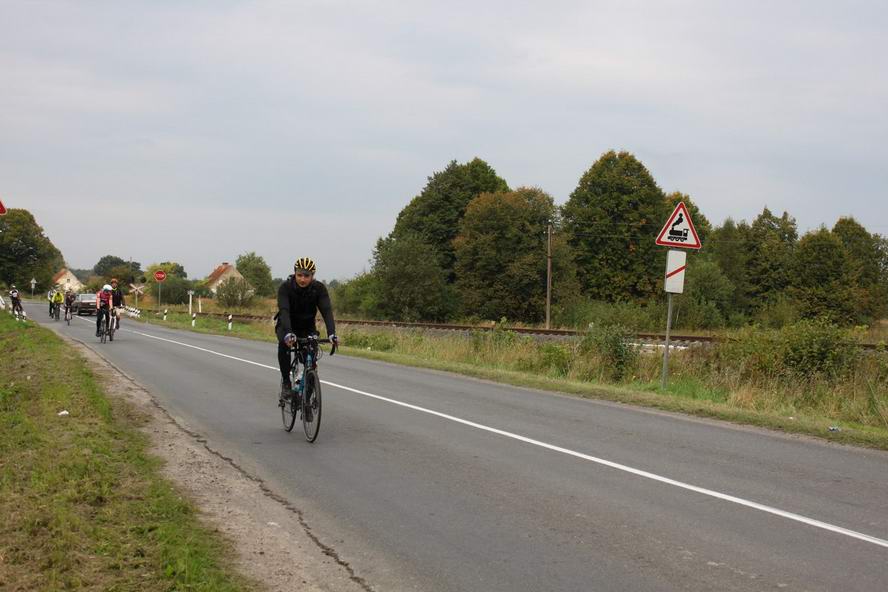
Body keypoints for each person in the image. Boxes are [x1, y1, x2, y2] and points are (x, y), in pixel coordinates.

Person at [275, 258, 338, 400]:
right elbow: (284, 311)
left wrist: (332, 333)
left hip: (307, 327)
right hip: (287, 325)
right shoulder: (285, 288)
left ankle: (307, 401)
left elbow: (327, 311)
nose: (302, 279)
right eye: (299, 275)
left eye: (307, 276)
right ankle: (286, 382)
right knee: (283, 346)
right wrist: (289, 333)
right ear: (295, 274)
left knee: (311, 362)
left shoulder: (319, 289)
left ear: (312, 276)